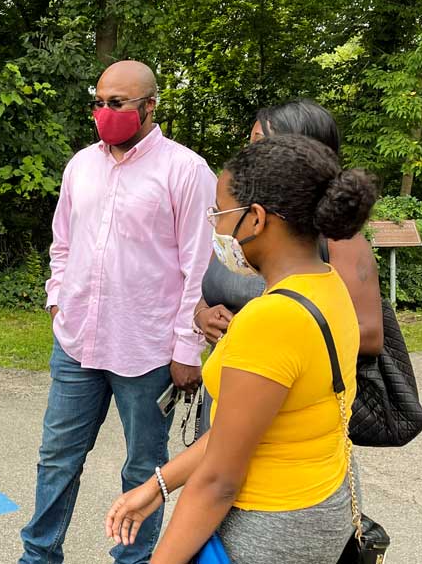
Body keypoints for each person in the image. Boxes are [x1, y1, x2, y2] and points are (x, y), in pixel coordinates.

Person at [105, 134, 378, 564]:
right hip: (319, 511)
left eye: (218, 213)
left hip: (266, 531)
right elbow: (245, 427)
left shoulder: (269, 319)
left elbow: (219, 481)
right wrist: (158, 485)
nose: (214, 225)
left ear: (255, 219)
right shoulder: (329, 287)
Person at [18, 60, 216, 564]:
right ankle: (38, 556)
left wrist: (187, 347)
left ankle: (134, 561)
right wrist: (57, 298)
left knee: (145, 467)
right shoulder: (81, 164)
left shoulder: (186, 170)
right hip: (77, 341)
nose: (105, 112)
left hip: (147, 349)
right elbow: (62, 242)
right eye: (99, 102)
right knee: (56, 459)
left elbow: (198, 267)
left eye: (118, 103)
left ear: (150, 106)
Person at [193, 99, 383, 433]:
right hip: (227, 391)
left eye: (262, 143)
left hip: (285, 410)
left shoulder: (334, 239)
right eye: (250, 142)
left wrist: (255, 331)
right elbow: (207, 290)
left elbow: (366, 333)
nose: (249, 154)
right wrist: (203, 316)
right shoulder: (240, 224)